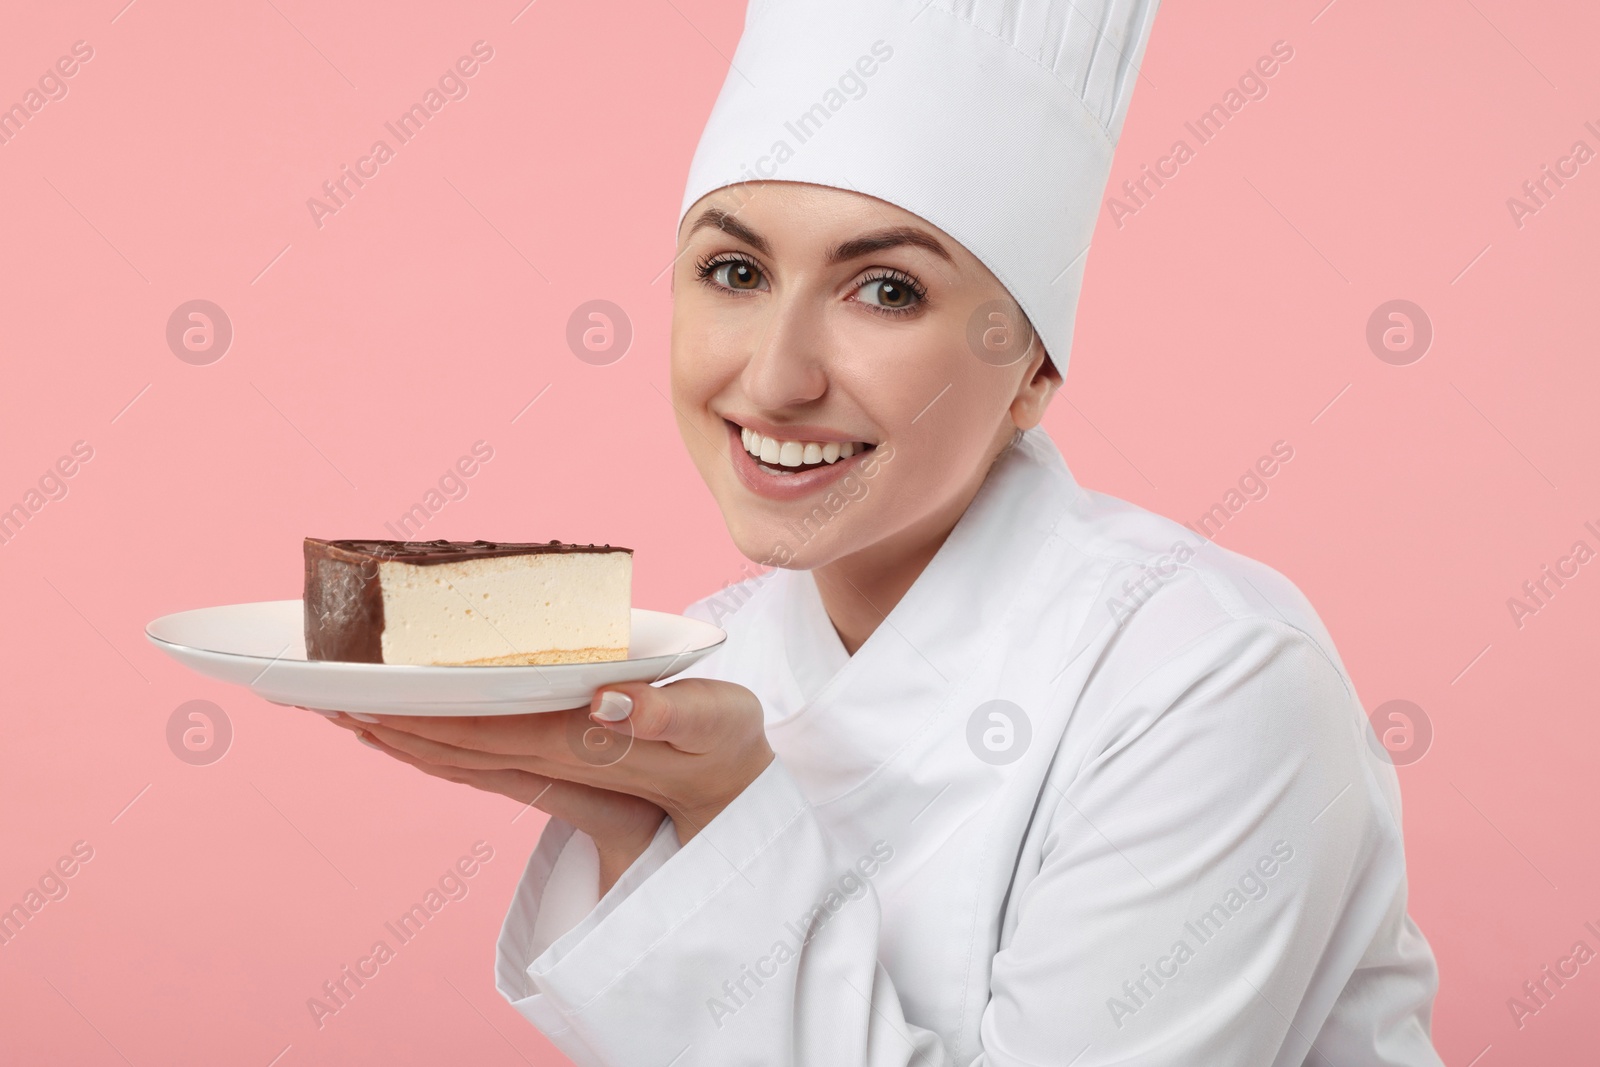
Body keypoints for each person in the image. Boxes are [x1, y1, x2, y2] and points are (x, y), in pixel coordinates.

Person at [325, 0, 1447, 1062]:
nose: (774, 376)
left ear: (1032, 372)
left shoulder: (1212, 678)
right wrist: (643, 828)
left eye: (886, 291)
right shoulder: (711, 663)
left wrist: (723, 815)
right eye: (734, 271)